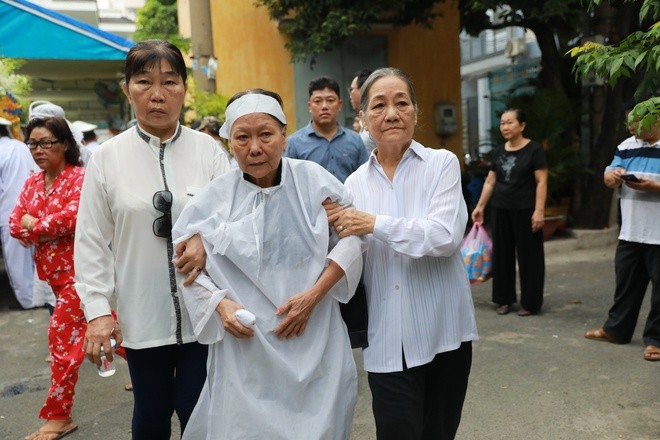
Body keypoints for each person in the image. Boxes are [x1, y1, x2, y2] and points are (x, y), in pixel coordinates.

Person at [172, 89, 365, 440]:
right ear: (230, 143)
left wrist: (314, 296)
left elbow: (352, 240)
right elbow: (186, 266)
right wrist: (220, 304)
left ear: (285, 136)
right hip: (246, 350)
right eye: (243, 137)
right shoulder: (214, 199)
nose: (255, 148)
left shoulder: (315, 182)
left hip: (315, 337)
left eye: (266, 134)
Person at [73, 39, 230, 439]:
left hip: (204, 315)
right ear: (127, 89)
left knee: (204, 416)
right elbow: (90, 239)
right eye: (144, 82)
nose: (157, 95)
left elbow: (234, 220)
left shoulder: (208, 152)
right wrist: (98, 311)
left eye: (170, 82)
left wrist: (206, 242)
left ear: (183, 90)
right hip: (142, 317)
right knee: (150, 415)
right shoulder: (106, 158)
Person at [325, 67, 478, 440]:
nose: (391, 113)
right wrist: (332, 231)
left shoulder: (442, 165)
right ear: (361, 119)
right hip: (387, 335)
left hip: (444, 330)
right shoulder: (352, 184)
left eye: (401, 103)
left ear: (415, 112)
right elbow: (350, 255)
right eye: (378, 105)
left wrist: (373, 223)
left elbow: (444, 236)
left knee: (438, 432)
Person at [9, 116, 87, 440]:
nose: (37, 150)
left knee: (62, 342)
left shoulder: (79, 178)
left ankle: (59, 416)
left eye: (45, 143)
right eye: (32, 144)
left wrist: (35, 226)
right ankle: (151, 372)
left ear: (65, 143)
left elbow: (68, 219)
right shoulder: (32, 181)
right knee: (103, 330)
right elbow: (14, 222)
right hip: (52, 277)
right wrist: (36, 226)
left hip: (80, 274)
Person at [584, 111, 660, 362]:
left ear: (656, 120)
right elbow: (609, 176)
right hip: (631, 231)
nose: (631, 127)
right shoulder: (627, 146)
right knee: (626, 284)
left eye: (637, 122)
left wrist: (653, 186)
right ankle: (616, 329)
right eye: (628, 122)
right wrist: (612, 177)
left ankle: (656, 340)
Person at [471, 108, 548, 316]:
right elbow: (490, 181)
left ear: (522, 125)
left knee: (530, 257)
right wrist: (480, 206)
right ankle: (504, 300)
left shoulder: (534, 150)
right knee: (502, 256)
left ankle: (531, 303)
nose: (505, 127)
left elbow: (541, 182)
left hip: (526, 210)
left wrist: (539, 211)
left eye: (509, 122)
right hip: (501, 209)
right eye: (502, 123)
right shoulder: (499, 151)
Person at [284, 76, 368, 183]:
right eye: (318, 101)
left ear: (340, 105)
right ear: (309, 106)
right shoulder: (294, 143)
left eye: (330, 100)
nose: (324, 106)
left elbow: (365, 178)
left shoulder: (355, 140)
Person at [0, 116, 37, 310]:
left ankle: (27, 300)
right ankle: (39, 296)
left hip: (9, 213)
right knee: (36, 257)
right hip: (33, 210)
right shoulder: (21, 147)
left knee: (16, 262)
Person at [349, 68, 377, 155]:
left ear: (363, 89)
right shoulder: (362, 121)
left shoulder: (376, 118)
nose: (350, 95)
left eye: (351, 90)